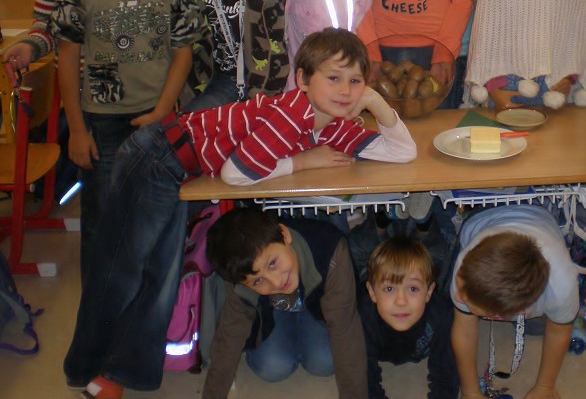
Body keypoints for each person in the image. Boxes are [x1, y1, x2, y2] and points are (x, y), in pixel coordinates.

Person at [63, 28, 417, 398]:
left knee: (160, 273)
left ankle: (117, 372)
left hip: (178, 167)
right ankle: (86, 369)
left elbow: (402, 153)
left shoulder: (333, 126)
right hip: (155, 156)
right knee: (122, 268)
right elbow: (235, 174)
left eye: (355, 81)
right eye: (333, 78)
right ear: (302, 80)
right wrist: (301, 162)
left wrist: (375, 102)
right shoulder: (292, 113)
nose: (345, 91)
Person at [49, 0, 202, 284]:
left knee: (160, 219)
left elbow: (183, 52)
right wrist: (76, 129)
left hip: (158, 119)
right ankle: (103, 312)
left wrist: (163, 110)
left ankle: (154, 306)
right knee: (103, 224)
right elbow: (68, 59)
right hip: (101, 123)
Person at [203, 209, 366, 399]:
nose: (276, 281)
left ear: (285, 235)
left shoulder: (331, 250)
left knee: (324, 361)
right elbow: (229, 336)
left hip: (320, 306)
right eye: (257, 281)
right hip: (274, 311)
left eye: (272, 263)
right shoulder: (240, 277)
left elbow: (345, 329)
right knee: (272, 367)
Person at [449, 205, 579, 399]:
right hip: (481, 216)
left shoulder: (562, 287)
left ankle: (573, 310)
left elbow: (559, 331)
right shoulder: (466, 263)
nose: (457, 297)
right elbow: (464, 331)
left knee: (539, 327)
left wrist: (545, 387)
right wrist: (470, 391)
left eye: (465, 298)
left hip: (539, 214)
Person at [360, 237, 458, 399]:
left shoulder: (442, 315)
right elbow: (364, 380)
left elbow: (446, 375)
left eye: (413, 289)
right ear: (372, 292)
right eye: (389, 288)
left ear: (428, 292)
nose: (401, 301)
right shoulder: (363, 318)